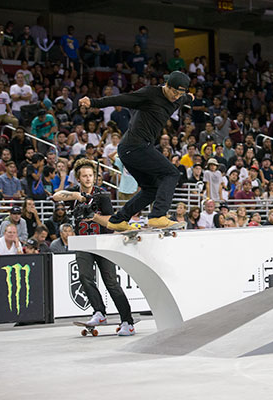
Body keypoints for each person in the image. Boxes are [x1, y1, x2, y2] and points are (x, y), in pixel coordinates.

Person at [78, 71, 194, 231]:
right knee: (171, 173)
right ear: (166, 85)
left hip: (132, 149)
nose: (175, 96)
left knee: (151, 188)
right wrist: (93, 102)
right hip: (135, 146)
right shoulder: (150, 94)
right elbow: (121, 99)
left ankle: (118, 220)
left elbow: (185, 98)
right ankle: (158, 216)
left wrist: (190, 97)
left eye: (180, 93)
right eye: (174, 92)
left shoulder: (178, 99)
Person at [53, 158, 135, 336]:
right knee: (84, 277)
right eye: (84, 176)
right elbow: (55, 196)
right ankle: (99, 311)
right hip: (83, 242)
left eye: (91, 175)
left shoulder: (102, 195)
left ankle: (127, 320)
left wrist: (94, 217)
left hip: (103, 241)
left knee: (111, 282)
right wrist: (76, 196)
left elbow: (112, 222)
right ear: (78, 178)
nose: (88, 178)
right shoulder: (74, 193)